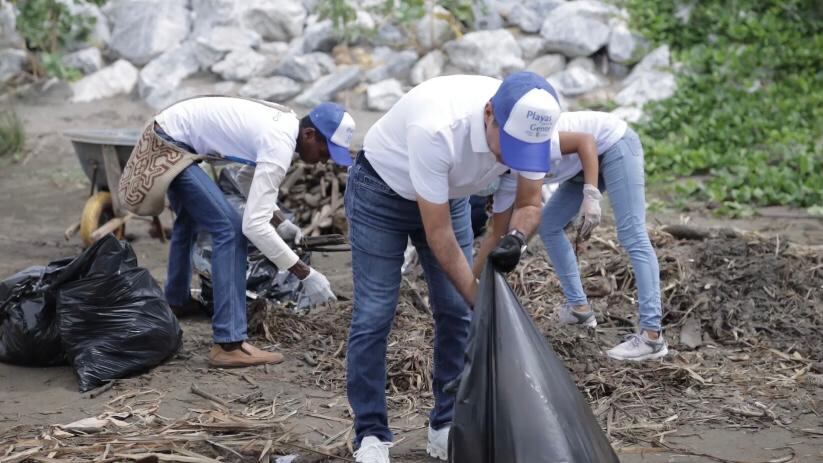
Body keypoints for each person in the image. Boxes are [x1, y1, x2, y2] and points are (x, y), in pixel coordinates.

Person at [344, 72, 561, 463]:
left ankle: (445, 423)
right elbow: (439, 236)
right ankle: (371, 434)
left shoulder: (533, 126)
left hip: (451, 193)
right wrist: (482, 301)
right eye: (510, 146)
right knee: (374, 314)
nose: (513, 159)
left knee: (456, 311)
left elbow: (529, 203)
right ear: (490, 114)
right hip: (382, 191)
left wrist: (516, 239)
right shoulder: (438, 128)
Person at [152, 97, 355, 368]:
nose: (323, 161)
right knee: (231, 230)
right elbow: (253, 226)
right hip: (170, 145)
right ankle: (228, 344)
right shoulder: (280, 144)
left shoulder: (285, 128)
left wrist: (280, 222)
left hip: (168, 133)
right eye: (325, 151)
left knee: (189, 219)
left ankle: (177, 300)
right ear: (309, 134)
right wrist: (305, 274)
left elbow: (245, 179)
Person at [474, 110, 668, 361]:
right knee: (549, 224)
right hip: (580, 165)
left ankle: (652, 336)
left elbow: (586, 141)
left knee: (632, 234)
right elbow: (497, 232)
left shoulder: (532, 140)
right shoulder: (508, 179)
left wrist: (591, 194)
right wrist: (476, 278)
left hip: (612, 144)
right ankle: (579, 309)